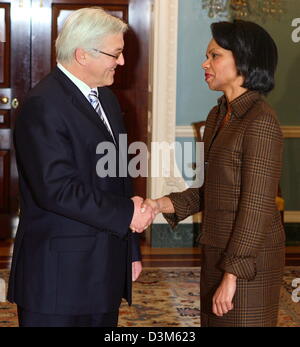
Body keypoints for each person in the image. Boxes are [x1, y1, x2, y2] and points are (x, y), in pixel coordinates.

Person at [7, 7, 153, 327]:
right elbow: (56, 190)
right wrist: (127, 214)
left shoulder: (108, 101)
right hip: (58, 280)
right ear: (82, 55)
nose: (122, 61)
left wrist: (130, 250)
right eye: (116, 53)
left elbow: (119, 180)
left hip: (103, 271)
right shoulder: (43, 104)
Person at [144, 20, 285, 327]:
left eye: (215, 55)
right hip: (217, 251)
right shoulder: (219, 113)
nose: (204, 63)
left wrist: (232, 274)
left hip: (249, 262)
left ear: (244, 60)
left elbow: (256, 207)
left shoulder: (260, 122)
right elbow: (210, 190)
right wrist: (157, 205)